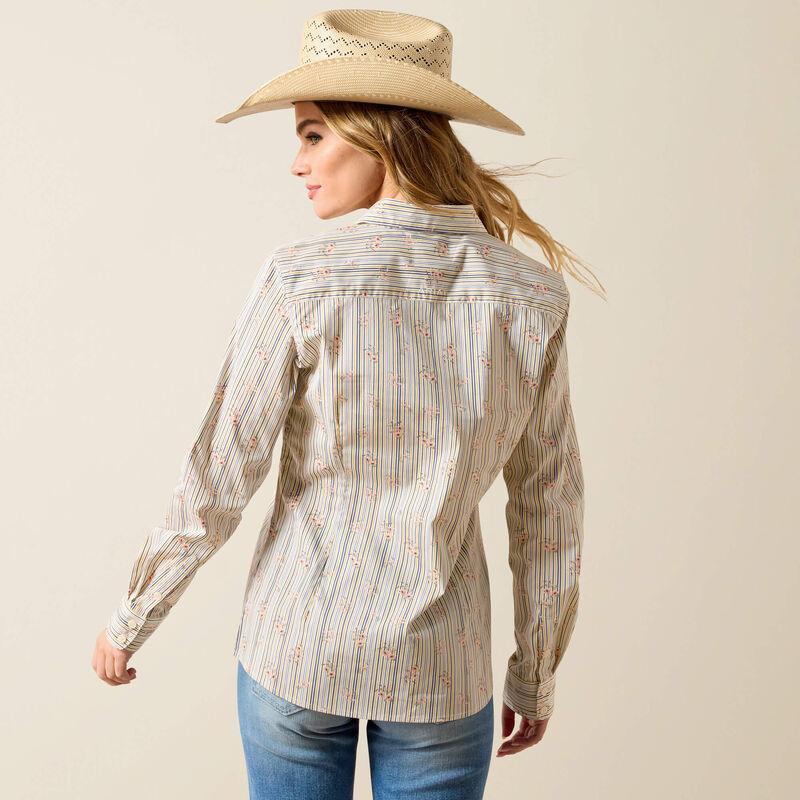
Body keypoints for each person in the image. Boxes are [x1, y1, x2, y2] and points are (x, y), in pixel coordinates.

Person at [91, 10, 604, 799]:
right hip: (441, 666)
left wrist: (133, 618)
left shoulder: (301, 275)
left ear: (382, 134)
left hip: (299, 648)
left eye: (312, 134)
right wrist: (533, 674)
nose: (297, 163)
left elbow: (222, 472)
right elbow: (549, 505)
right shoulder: (529, 293)